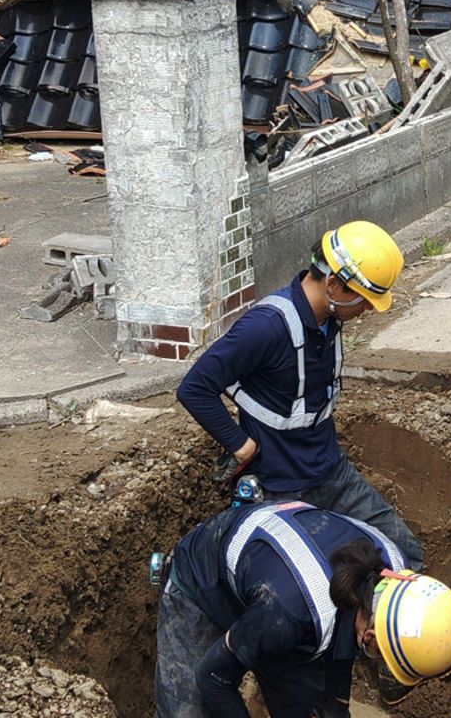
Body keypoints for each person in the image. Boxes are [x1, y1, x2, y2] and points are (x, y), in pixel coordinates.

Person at [148, 499, 451, 718]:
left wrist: (337, 703)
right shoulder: (288, 614)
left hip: (274, 596)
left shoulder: (393, 576)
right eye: (378, 655)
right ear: (371, 636)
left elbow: (346, 627)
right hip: (205, 584)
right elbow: (212, 677)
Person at [177, 220, 423, 568]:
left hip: (331, 472)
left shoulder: (329, 320)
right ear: (334, 285)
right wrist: (240, 444)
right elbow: (194, 388)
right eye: (364, 299)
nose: (367, 309)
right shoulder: (265, 327)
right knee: (309, 580)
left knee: (405, 556)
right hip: (279, 487)